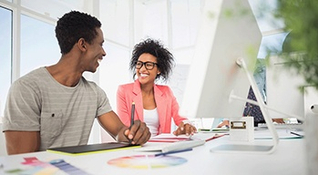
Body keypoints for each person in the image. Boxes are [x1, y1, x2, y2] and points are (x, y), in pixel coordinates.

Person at [2, 11, 151, 155]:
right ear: (83, 45)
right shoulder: (27, 89)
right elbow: (22, 160)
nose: (104, 52)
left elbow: (119, 132)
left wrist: (133, 134)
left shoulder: (95, 93)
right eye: (100, 44)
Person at [116, 38, 196, 137]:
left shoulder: (166, 92)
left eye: (148, 65)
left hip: (161, 146)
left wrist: (186, 125)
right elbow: (124, 127)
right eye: (139, 64)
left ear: (159, 70)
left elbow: (180, 118)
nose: (142, 69)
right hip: (135, 145)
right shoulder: (124, 91)